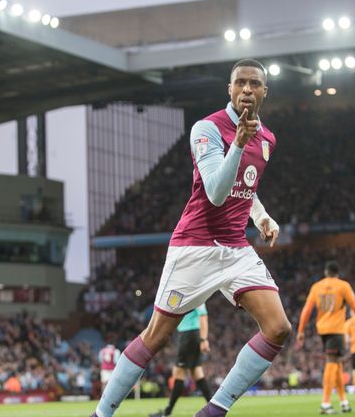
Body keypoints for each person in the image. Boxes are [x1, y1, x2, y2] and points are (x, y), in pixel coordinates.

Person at [91, 59, 290, 417]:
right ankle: (101, 414)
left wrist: (260, 215)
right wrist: (237, 145)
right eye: (240, 83)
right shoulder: (207, 129)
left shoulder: (268, 139)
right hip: (195, 246)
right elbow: (215, 191)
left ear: (264, 92)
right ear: (229, 89)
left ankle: (212, 411)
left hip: (235, 248)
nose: (247, 89)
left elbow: (247, 185)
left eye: (254, 84)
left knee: (278, 328)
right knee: (157, 336)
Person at [296, 261, 355, 415]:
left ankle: (344, 402)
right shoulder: (343, 286)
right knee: (332, 363)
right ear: (337, 273)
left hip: (323, 330)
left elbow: (306, 310)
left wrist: (301, 331)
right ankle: (325, 403)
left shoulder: (317, 286)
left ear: (326, 272)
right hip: (336, 330)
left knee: (338, 365)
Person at [149, 304, 212, 417]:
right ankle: (214, 409)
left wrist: (204, 339)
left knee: (178, 373)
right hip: (190, 334)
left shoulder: (197, 293)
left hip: (190, 335)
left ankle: (167, 412)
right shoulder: (191, 292)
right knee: (197, 373)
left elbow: (203, 316)